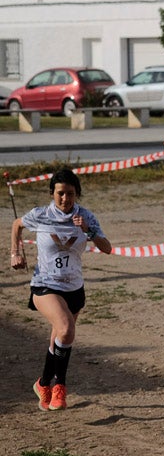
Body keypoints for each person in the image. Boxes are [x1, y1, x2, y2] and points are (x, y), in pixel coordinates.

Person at [10, 168, 112, 411]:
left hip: (74, 287)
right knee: (66, 330)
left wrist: (89, 229)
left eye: (70, 194)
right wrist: (16, 253)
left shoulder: (86, 217)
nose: (65, 199)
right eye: (60, 194)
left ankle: (44, 383)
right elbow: (17, 224)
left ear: (77, 194)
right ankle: (60, 387)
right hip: (45, 284)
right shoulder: (41, 215)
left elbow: (106, 247)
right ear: (52, 193)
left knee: (59, 338)